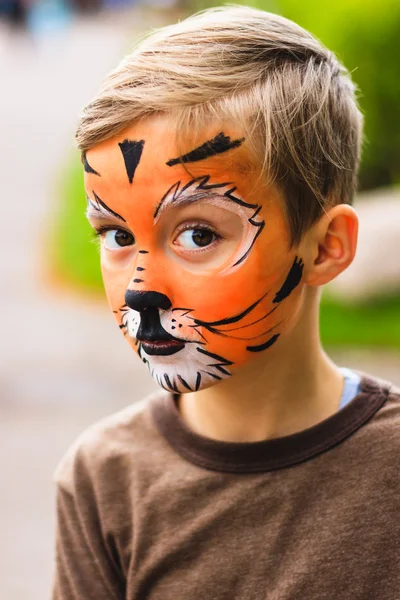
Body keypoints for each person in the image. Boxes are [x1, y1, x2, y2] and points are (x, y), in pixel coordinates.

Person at [51, 6, 400, 599]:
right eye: (116, 234)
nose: (141, 288)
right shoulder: (103, 479)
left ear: (325, 248)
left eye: (198, 235)